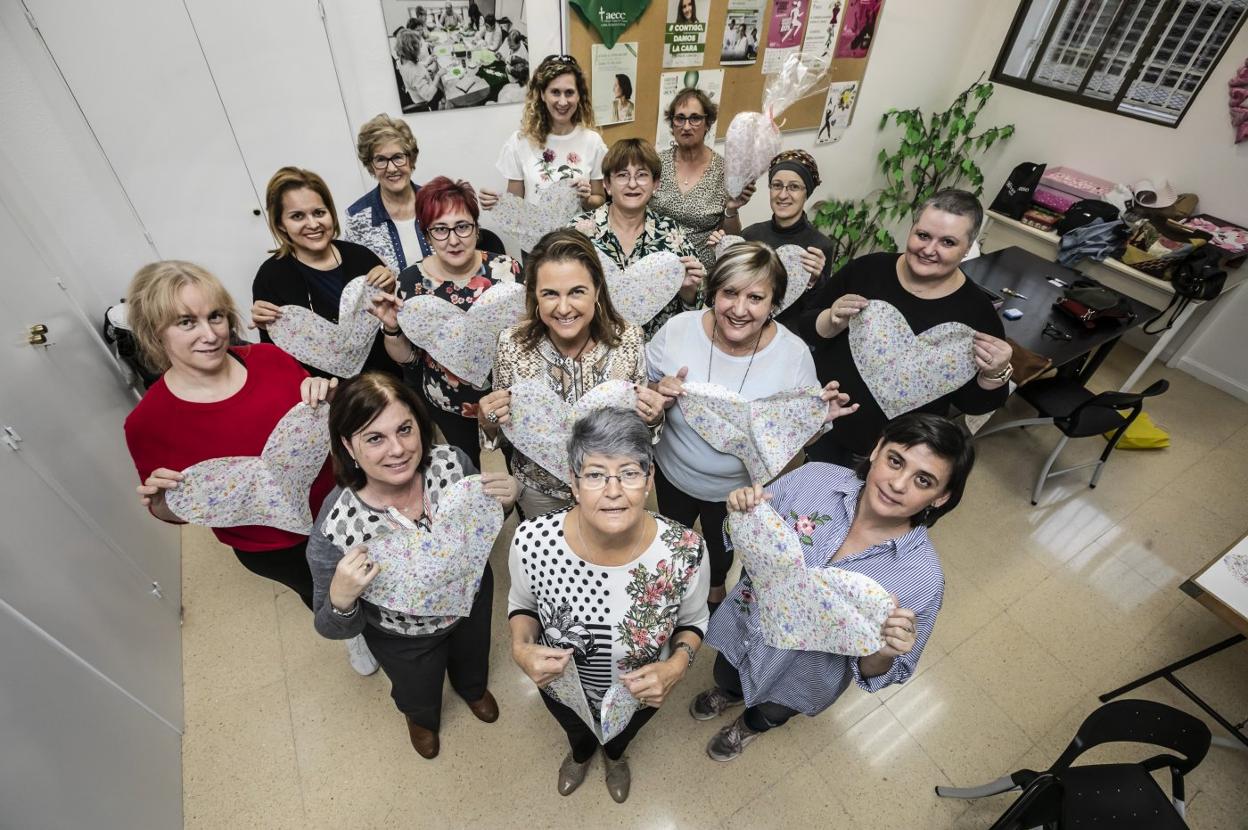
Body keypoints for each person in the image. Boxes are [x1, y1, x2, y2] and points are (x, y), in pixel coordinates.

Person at [122, 260, 378, 676]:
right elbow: (173, 509)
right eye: (187, 322)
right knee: (322, 591)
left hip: (340, 507)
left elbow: (325, 429)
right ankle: (353, 635)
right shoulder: (148, 422)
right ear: (155, 332)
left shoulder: (270, 360)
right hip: (272, 545)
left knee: (372, 568)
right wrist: (162, 504)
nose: (210, 334)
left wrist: (330, 397)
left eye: (216, 316)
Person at [692, 412, 974, 760]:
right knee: (726, 674)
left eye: (923, 481)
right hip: (746, 630)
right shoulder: (812, 479)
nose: (898, 484)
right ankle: (729, 693)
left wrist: (883, 652)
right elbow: (748, 539)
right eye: (896, 461)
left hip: (801, 675)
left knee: (771, 712)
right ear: (877, 449)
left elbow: (884, 673)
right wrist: (742, 512)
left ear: (941, 498)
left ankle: (745, 729)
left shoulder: (923, 580)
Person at [308, 372, 517, 758]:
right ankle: (422, 719)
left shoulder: (453, 464)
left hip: (470, 603)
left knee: (474, 659)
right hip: (402, 636)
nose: (398, 449)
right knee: (416, 689)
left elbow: (477, 530)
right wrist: (341, 597)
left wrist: (504, 503)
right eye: (374, 438)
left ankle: (472, 689)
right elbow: (329, 625)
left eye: (405, 429)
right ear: (347, 447)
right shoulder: (335, 528)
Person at [508, 407, 709, 801]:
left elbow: (695, 620)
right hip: (563, 688)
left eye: (630, 473)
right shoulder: (532, 541)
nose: (613, 490)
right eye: (596, 474)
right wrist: (520, 649)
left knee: (622, 735)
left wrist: (676, 665)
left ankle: (616, 758)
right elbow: (522, 604)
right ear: (574, 482)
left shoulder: (685, 550)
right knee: (576, 729)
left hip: (638, 696)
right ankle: (581, 754)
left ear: (649, 481)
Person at [648, 241, 857, 611]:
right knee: (670, 537)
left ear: (774, 303)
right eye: (729, 292)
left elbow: (791, 440)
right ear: (713, 291)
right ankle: (670, 585)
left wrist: (813, 423)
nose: (739, 309)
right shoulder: (678, 330)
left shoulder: (794, 357)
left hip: (733, 492)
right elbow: (643, 388)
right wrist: (656, 393)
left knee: (719, 545)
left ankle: (714, 585)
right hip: (672, 474)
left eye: (756, 298)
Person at [801, 190, 1013, 466]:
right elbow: (806, 326)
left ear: (968, 247)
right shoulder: (866, 270)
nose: (928, 250)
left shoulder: (977, 314)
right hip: (822, 428)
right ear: (911, 229)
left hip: (899, 457)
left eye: (947, 242)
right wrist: (830, 320)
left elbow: (975, 404)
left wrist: (996, 374)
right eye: (923, 235)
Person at [476, 230, 665, 518]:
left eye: (577, 291)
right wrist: (487, 421)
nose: (564, 308)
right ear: (535, 296)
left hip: (609, 492)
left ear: (597, 290)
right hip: (541, 493)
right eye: (550, 294)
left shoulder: (629, 340)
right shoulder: (510, 345)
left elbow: (636, 434)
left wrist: (654, 418)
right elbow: (503, 431)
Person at [370, 177, 522, 469]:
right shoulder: (410, 282)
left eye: (462, 226)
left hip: (508, 400)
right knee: (471, 472)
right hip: (449, 404)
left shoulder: (507, 270)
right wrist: (391, 327)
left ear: (476, 229)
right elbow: (409, 359)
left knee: (517, 469)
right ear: (427, 235)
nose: (453, 240)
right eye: (440, 229)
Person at [250, 166, 398, 379]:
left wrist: (392, 290)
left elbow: (396, 328)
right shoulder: (271, 277)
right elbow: (278, 358)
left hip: (386, 385)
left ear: (331, 213)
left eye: (319, 212)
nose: (313, 224)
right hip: (327, 401)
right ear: (281, 224)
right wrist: (267, 324)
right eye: (297, 216)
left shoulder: (362, 258)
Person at [570, 138, 703, 340]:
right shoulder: (578, 233)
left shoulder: (672, 234)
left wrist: (688, 292)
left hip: (655, 354)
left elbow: (696, 312)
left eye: (642, 175)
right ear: (607, 184)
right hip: (590, 350)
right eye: (622, 175)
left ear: (655, 184)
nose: (632, 184)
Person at [478, 55, 606, 217]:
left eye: (569, 93)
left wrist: (586, 199)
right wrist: (497, 203)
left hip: (578, 240)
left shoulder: (592, 142)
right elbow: (516, 207)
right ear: (542, 95)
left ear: (579, 96)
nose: (563, 101)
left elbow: (600, 199)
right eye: (555, 92)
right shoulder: (519, 142)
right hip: (538, 241)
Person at [651, 89, 754, 272]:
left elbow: (730, 240)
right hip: (656, 267)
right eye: (680, 118)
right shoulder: (655, 164)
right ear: (672, 124)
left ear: (708, 123)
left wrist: (731, 209)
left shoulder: (725, 170)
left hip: (701, 271)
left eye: (695, 118)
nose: (687, 126)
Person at [737, 150, 835, 329]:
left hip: (788, 337)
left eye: (794, 187)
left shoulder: (820, 247)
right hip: (745, 327)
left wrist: (815, 281)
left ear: (807, 193)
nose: (782, 195)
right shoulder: (750, 235)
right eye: (777, 185)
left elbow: (817, 312)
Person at [346, 114, 432, 272]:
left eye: (398, 157)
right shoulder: (357, 217)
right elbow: (357, 277)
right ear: (370, 165)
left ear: (411, 159)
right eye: (381, 160)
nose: (391, 168)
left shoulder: (437, 203)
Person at [394, 31, 440, 113]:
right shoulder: (415, 72)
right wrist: (438, 75)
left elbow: (414, 67)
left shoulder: (401, 60)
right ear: (412, 50)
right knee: (445, 91)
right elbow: (428, 95)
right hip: (425, 101)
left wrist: (426, 62)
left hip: (415, 94)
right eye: (419, 47)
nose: (421, 48)